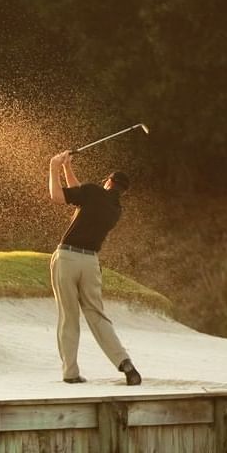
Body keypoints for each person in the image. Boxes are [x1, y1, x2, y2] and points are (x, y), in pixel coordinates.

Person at [46, 149, 141, 386]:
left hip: (67, 257)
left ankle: (70, 372)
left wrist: (53, 166)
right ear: (122, 191)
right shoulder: (115, 209)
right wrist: (67, 168)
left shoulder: (93, 192)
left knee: (69, 317)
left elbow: (58, 197)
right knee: (97, 316)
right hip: (91, 263)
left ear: (108, 181)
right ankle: (125, 363)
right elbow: (80, 196)